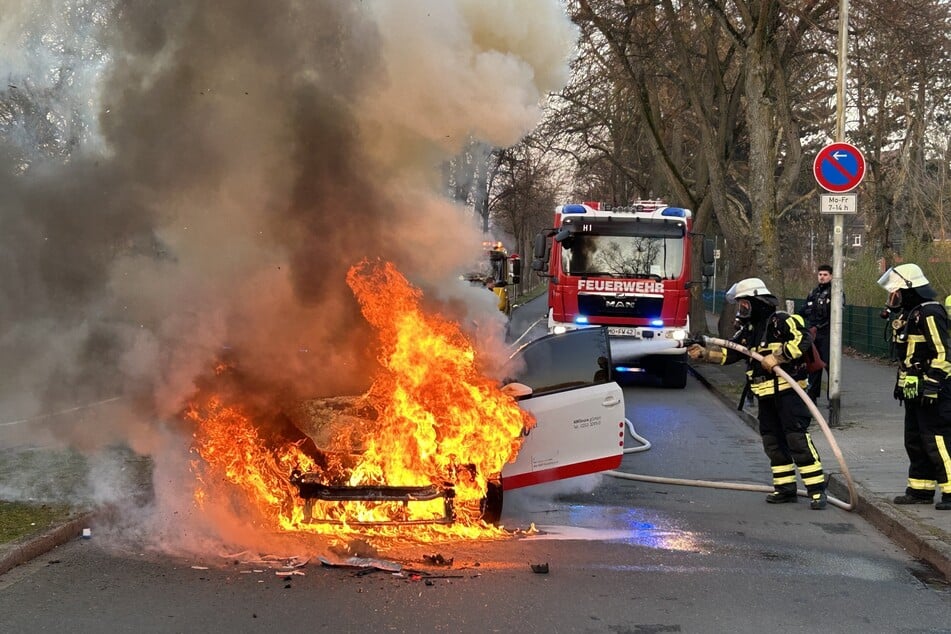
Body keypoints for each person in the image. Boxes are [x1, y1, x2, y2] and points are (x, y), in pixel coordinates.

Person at [688, 278, 828, 509]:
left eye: (745, 305)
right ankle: (785, 488)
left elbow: (803, 338)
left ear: (758, 302)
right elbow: (730, 354)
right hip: (765, 394)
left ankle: (816, 490)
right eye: (739, 306)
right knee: (772, 443)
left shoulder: (781, 321)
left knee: (797, 439)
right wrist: (704, 354)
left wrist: (779, 356)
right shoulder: (748, 331)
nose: (742, 310)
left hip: (789, 393)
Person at [877, 263, 951, 510]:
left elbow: (943, 353)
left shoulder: (930, 312)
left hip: (936, 389)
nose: (892, 297)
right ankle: (920, 490)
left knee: (937, 439)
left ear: (909, 289)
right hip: (914, 388)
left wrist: (932, 385)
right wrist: (902, 384)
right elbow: (908, 356)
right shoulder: (910, 314)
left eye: (895, 291)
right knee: (915, 439)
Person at [799, 264, 834, 402]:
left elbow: (836, 313)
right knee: (813, 366)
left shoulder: (834, 293)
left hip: (827, 334)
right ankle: (812, 398)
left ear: (831, 276)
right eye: (820, 274)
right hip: (813, 334)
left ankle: (832, 398)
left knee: (829, 366)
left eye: (825, 275)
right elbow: (802, 311)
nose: (822, 277)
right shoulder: (813, 293)